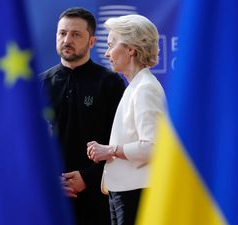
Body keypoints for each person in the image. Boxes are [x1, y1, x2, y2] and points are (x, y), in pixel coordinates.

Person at [40, 7, 126, 225]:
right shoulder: (38, 85)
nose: (67, 39)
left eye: (76, 34)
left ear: (92, 41)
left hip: (96, 198)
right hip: (48, 196)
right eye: (62, 33)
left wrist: (87, 178)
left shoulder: (110, 83)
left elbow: (119, 141)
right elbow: (26, 143)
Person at [87, 14, 166, 225]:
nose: (106, 52)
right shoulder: (135, 87)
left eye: (111, 44)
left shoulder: (145, 88)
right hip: (124, 192)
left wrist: (110, 150)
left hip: (136, 193)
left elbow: (153, 147)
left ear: (131, 49)